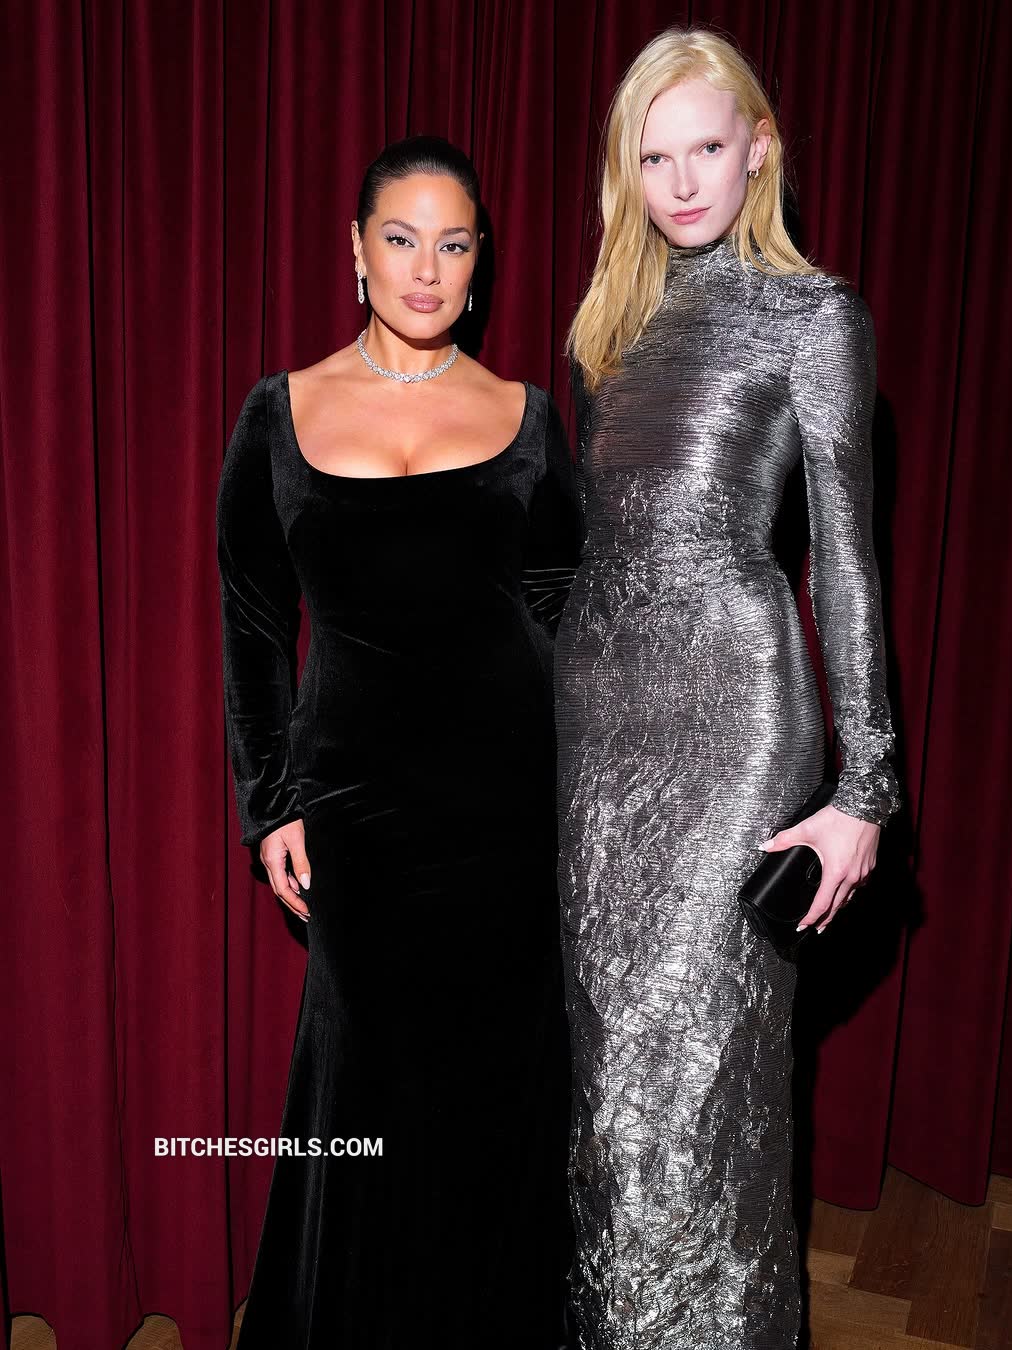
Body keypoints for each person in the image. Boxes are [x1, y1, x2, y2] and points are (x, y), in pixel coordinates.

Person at [554, 28, 903, 1350]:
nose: (684, 180)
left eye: (707, 146)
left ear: (760, 147)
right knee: (609, 1084)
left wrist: (865, 788)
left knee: (706, 1074)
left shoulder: (816, 316)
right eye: (655, 158)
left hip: (734, 727)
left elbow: (845, 557)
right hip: (595, 732)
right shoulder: (607, 329)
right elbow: (591, 552)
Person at [216, 134, 582, 1348]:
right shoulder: (280, 411)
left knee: (496, 1097)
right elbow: (254, 624)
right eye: (402, 238)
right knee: (364, 1094)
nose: (428, 269)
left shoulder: (526, 416)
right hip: (359, 818)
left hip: (508, 815)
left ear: (479, 266)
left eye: (454, 244)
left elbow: (563, 608)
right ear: (357, 252)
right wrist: (271, 801)